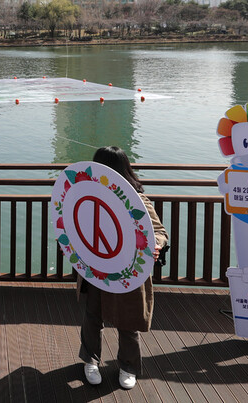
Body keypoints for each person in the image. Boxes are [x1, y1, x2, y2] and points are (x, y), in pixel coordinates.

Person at [78, 146, 168, 391]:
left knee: (128, 319)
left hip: (128, 269)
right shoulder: (89, 194)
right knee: (93, 315)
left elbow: (159, 232)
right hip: (95, 267)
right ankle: (90, 360)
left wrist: (156, 245)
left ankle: (128, 366)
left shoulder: (135, 199)